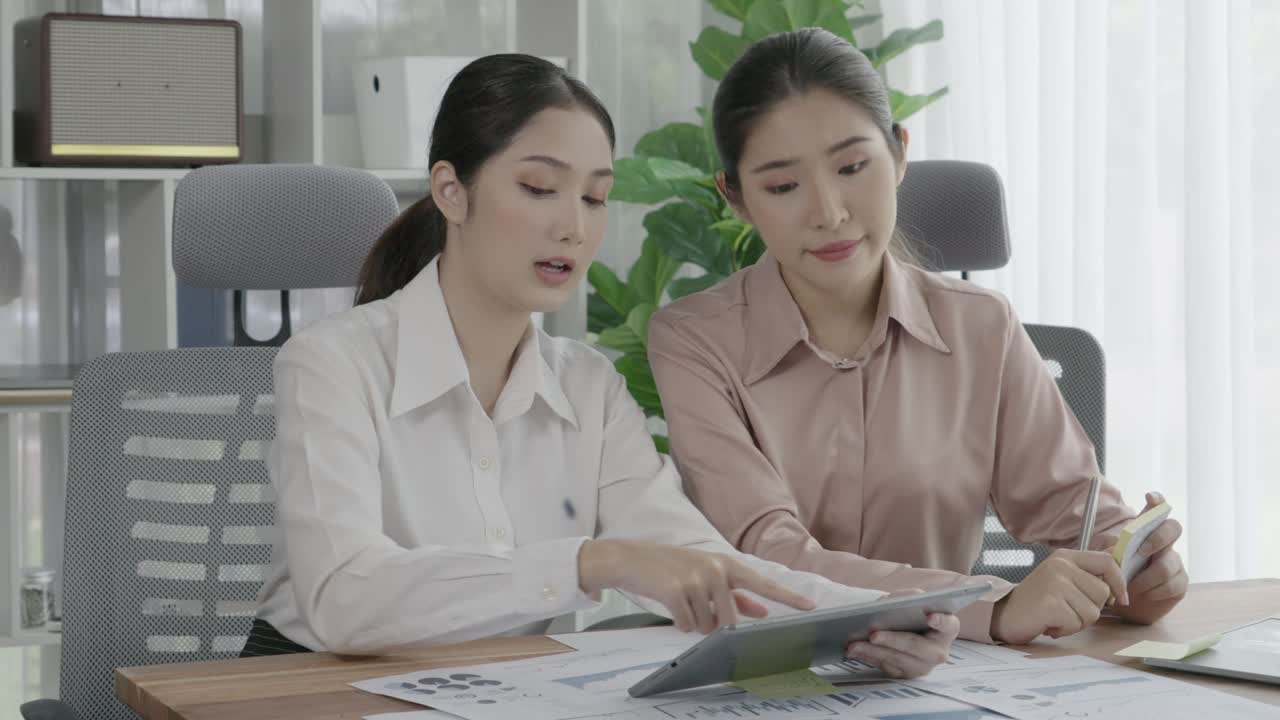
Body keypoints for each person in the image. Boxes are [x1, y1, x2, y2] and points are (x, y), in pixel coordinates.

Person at [244, 53, 959, 677]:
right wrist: (592, 562)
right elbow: (344, 597)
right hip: (302, 690)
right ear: (450, 191)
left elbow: (698, 564)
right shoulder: (332, 364)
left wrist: (886, 617)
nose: (573, 226)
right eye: (538, 187)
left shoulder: (587, 387)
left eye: (594, 196)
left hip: (487, 693)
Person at [648, 29, 1187, 646]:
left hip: (952, 679)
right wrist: (994, 608)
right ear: (736, 198)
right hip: (768, 673)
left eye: (853, 167)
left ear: (899, 154)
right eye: (782, 186)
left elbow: (1076, 509)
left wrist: (1137, 574)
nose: (829, 211)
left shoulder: (984, 326)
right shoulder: (692, 343)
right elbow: (770, 557)